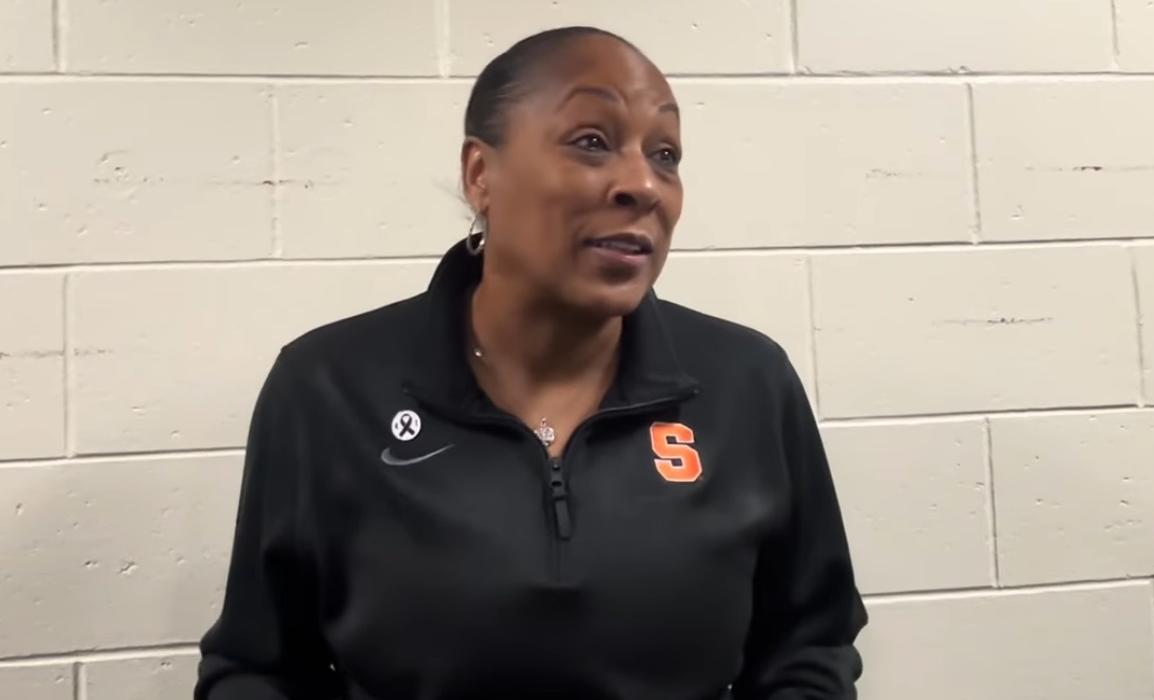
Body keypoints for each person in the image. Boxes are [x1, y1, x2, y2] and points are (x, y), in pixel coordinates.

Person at [195, 26, 867, 700]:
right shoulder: (328, 389)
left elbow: (808, 646)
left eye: (665, 155)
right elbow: (257, 668)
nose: (643, 185)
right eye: (592, 141)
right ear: (480, 175)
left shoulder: (748, 384)